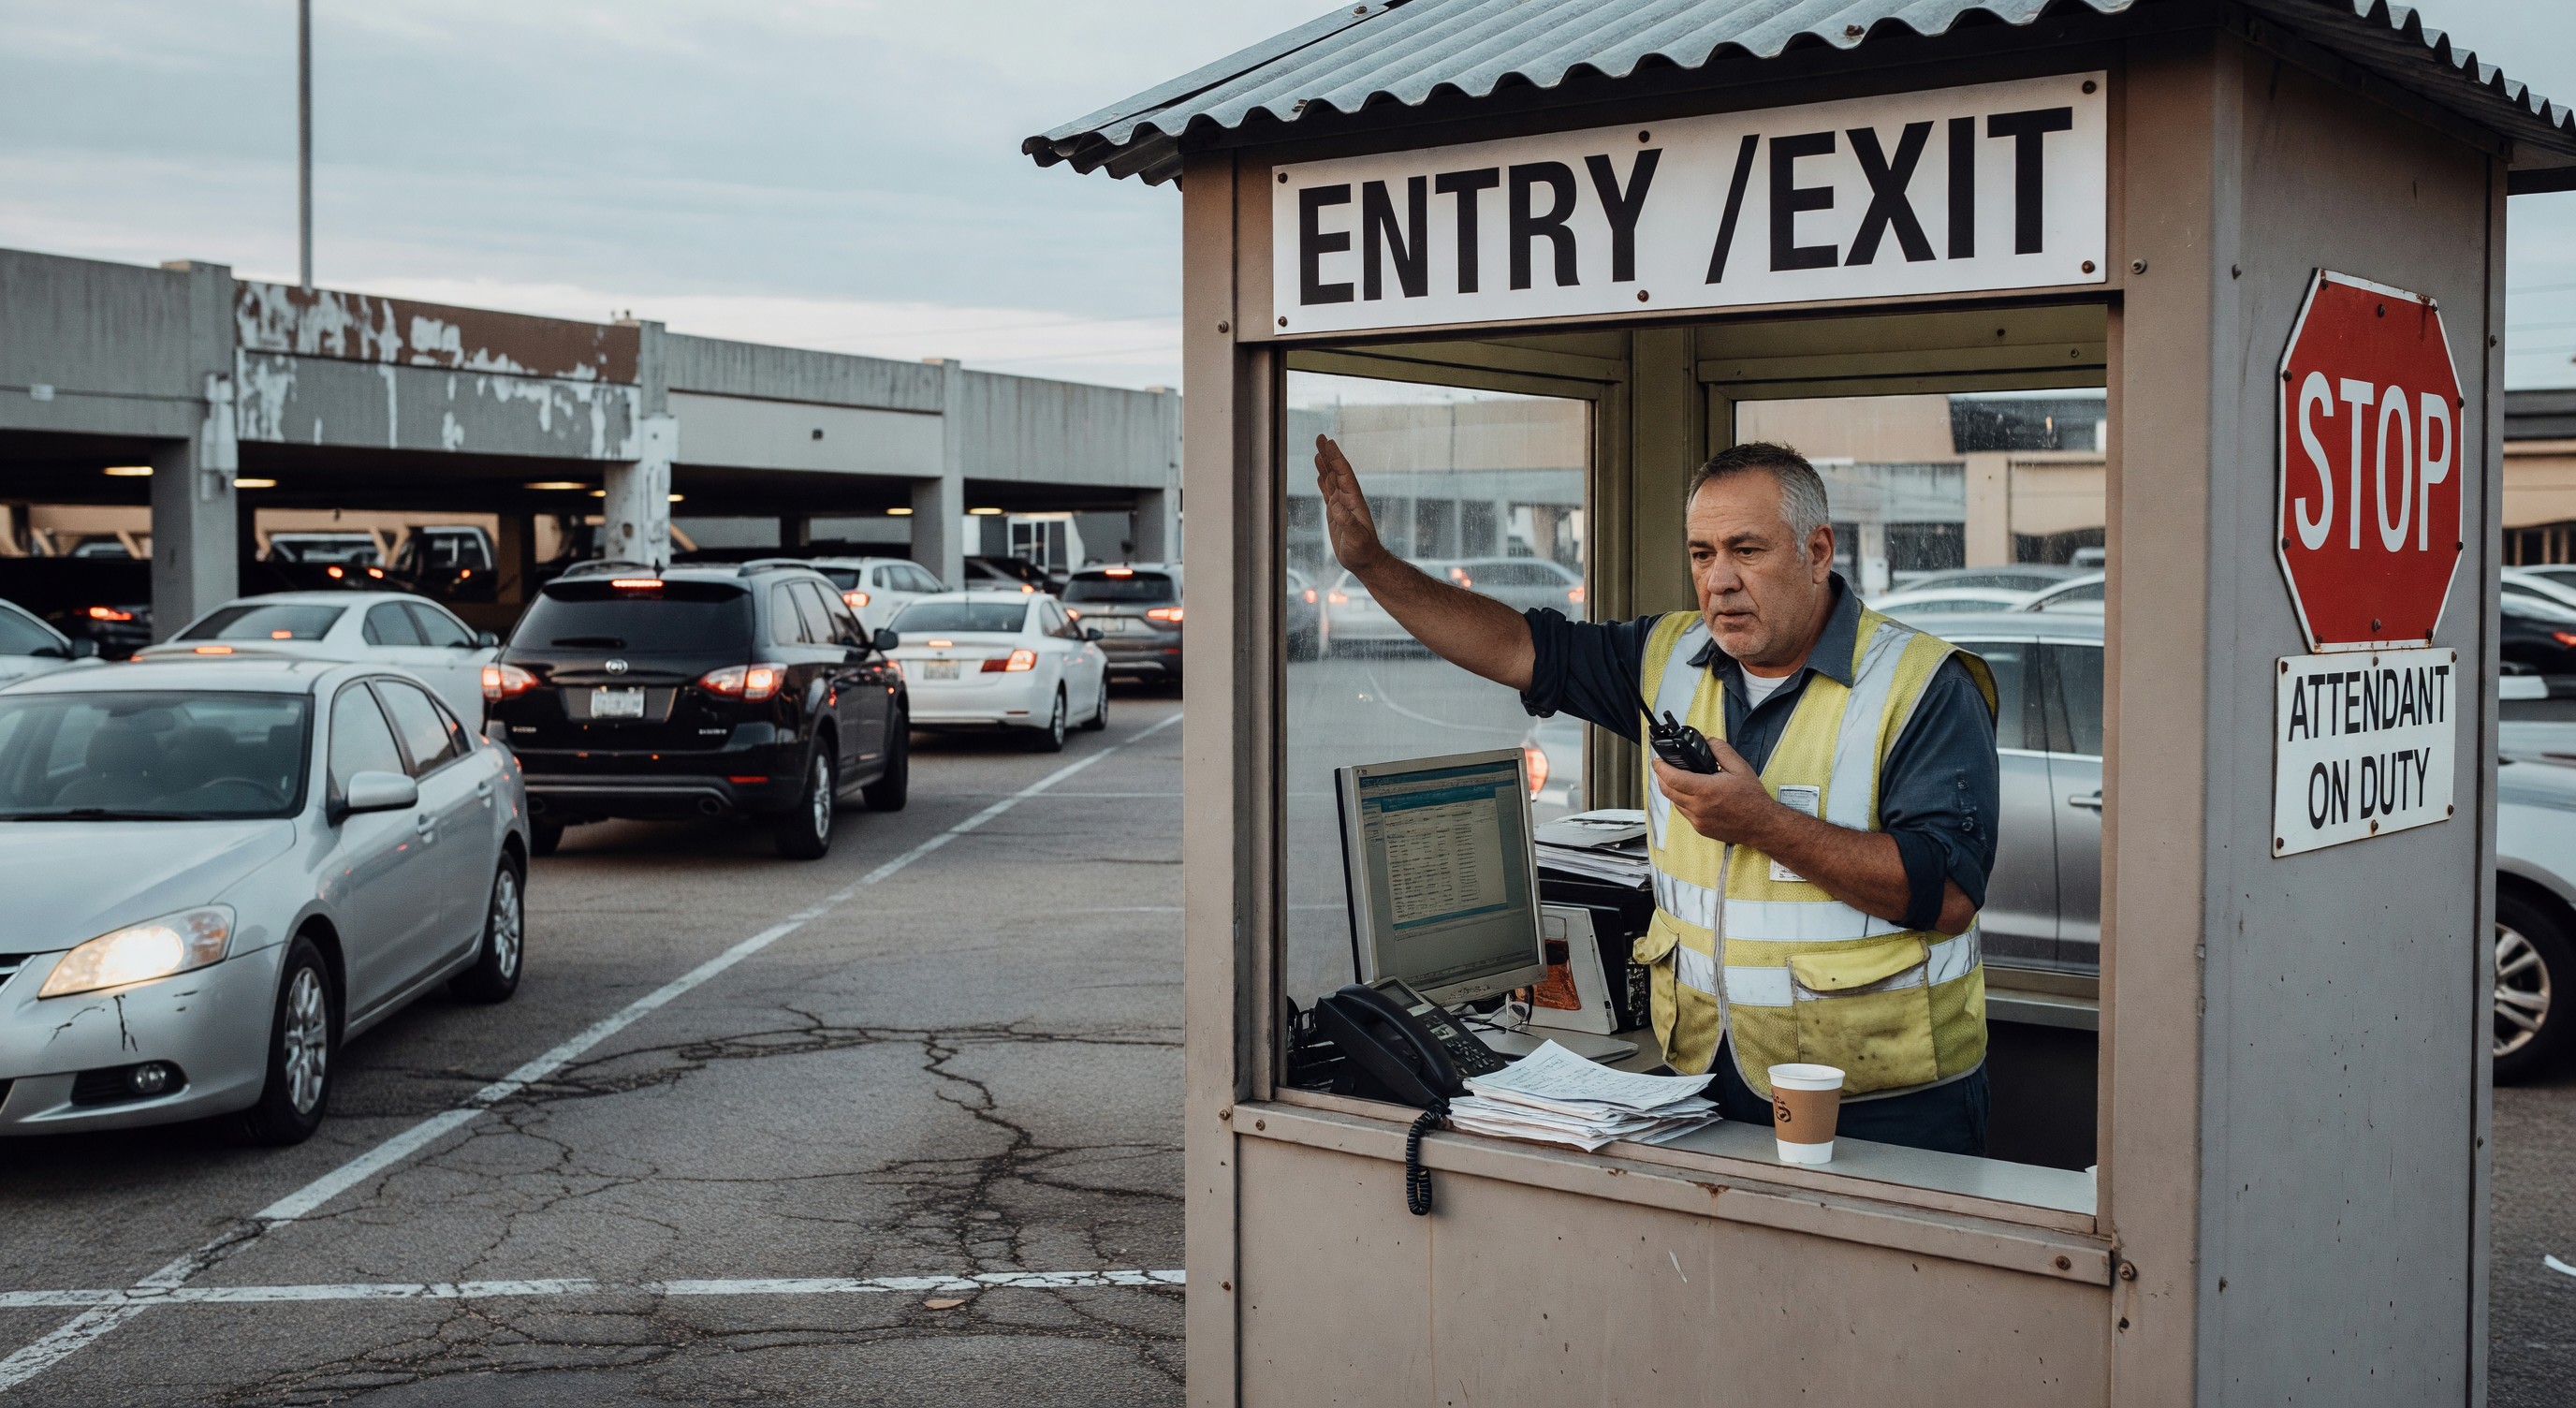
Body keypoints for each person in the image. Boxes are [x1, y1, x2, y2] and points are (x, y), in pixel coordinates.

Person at [1312, 435, 2001, 1156]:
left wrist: (1764, 824)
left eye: (1747, 550)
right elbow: (1515, 648)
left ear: (1818, 550)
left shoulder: (1921, 685)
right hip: (1704, 1078)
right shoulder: (1668, 657)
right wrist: (1372, 565)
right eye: (1702, 554)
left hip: (1883, 1098)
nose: (1720, 582)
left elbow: (1948, 891)